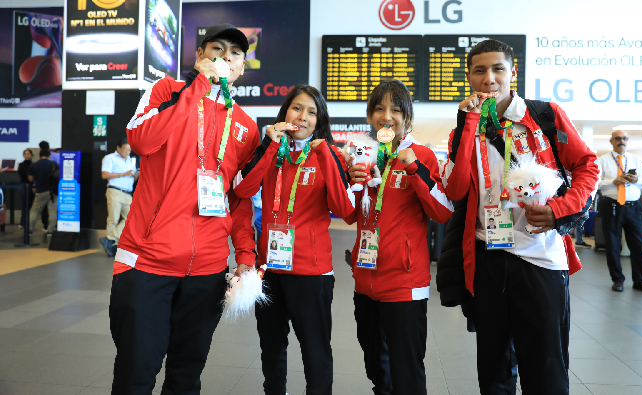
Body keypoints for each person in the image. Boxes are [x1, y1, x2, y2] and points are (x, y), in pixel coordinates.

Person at [109, 23, 284, 394]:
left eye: (235, 53)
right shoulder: (166, 91)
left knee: (186, 377)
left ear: (240, 68)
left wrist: (245, 255)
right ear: (200, 56)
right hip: (147, 260)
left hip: (205, 270)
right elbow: (141, 140)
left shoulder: (246, 126)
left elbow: (236, 201)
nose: (226, 56)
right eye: (217, 48)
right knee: (135, 373)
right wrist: (196, 89)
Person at [439, 39, 599, 395]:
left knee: (545, 367)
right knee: (493, 367)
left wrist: (559, 209)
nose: (489, 78)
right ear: (469, 77)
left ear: (513, 72)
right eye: (479, 71)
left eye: (498, 69)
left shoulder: (544, 115)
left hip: (541, 258)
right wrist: (468, 124)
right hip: (487, 257)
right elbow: (453, 189)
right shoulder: (464, 128)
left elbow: (588, 165)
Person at [345, 79, 454, 395]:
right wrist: (350, 182)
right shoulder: (362, 155)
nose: (386, 116)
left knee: (406, 367)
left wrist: (414, 169)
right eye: (379, 108)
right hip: (365, 277)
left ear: (407, 116)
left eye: (395, 108)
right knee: (375, 364)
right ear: (370, 115)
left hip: (405, 281)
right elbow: (350, 214)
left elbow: (443, 212)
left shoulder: (422, 155)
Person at [252, 84, 355, 395]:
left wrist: (325, 154)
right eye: (297, 108)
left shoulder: (331, 155)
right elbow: (243, 191)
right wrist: (268, 147)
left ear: (319, 121)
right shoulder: (270, 151)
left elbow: (345, 210)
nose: (303, 116)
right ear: (285, 112)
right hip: (268, 269)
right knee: (271, 349)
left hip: (311, 272)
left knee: (315, 350)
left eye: (312, 112)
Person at [597, 131, 642, 292]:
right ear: (611, 141)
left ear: (627, 141)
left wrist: (636, 180)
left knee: (639, 245)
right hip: (612, 206)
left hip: (633, 207)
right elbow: (595, 183)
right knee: (613, 245)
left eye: (624, 138)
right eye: (617, 138)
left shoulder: (635, 159)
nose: (621, 141)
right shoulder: (602, 161)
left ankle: (640, 280)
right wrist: (613, 181)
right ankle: (617, 279)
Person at [99, 138, 138, 257]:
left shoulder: (131, 160)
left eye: (129, 150)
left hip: (128, 193)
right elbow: (104, 174)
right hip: (115, 191)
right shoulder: (110, 158)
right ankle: (112, 246)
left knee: (132, 218)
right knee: (113, 219)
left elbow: (132, 178)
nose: (127, 152)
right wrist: (124, 174)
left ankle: (110, 239)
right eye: (125, 149)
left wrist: (135, 175)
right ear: (118, 148)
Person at [27, 149, 58, 235]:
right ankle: (50, 231)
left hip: (40, 191)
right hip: (52, 192)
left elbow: (30, 178)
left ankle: (30, 230)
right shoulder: (53, 164)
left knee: (35, 211)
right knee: (52, 212)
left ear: (39, 156)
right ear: (49, 156)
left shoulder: (34, 165)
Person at [17, 148, 34, 229]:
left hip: (32, 186)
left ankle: (30, 223)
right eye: (25, 154)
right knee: (24, 205)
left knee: (31, 205)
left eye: (28, 154)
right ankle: (23, 223)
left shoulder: (33, 164)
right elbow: (25, 175)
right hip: (24, 186)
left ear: (32, 155)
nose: (27, 155)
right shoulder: (21, 165)